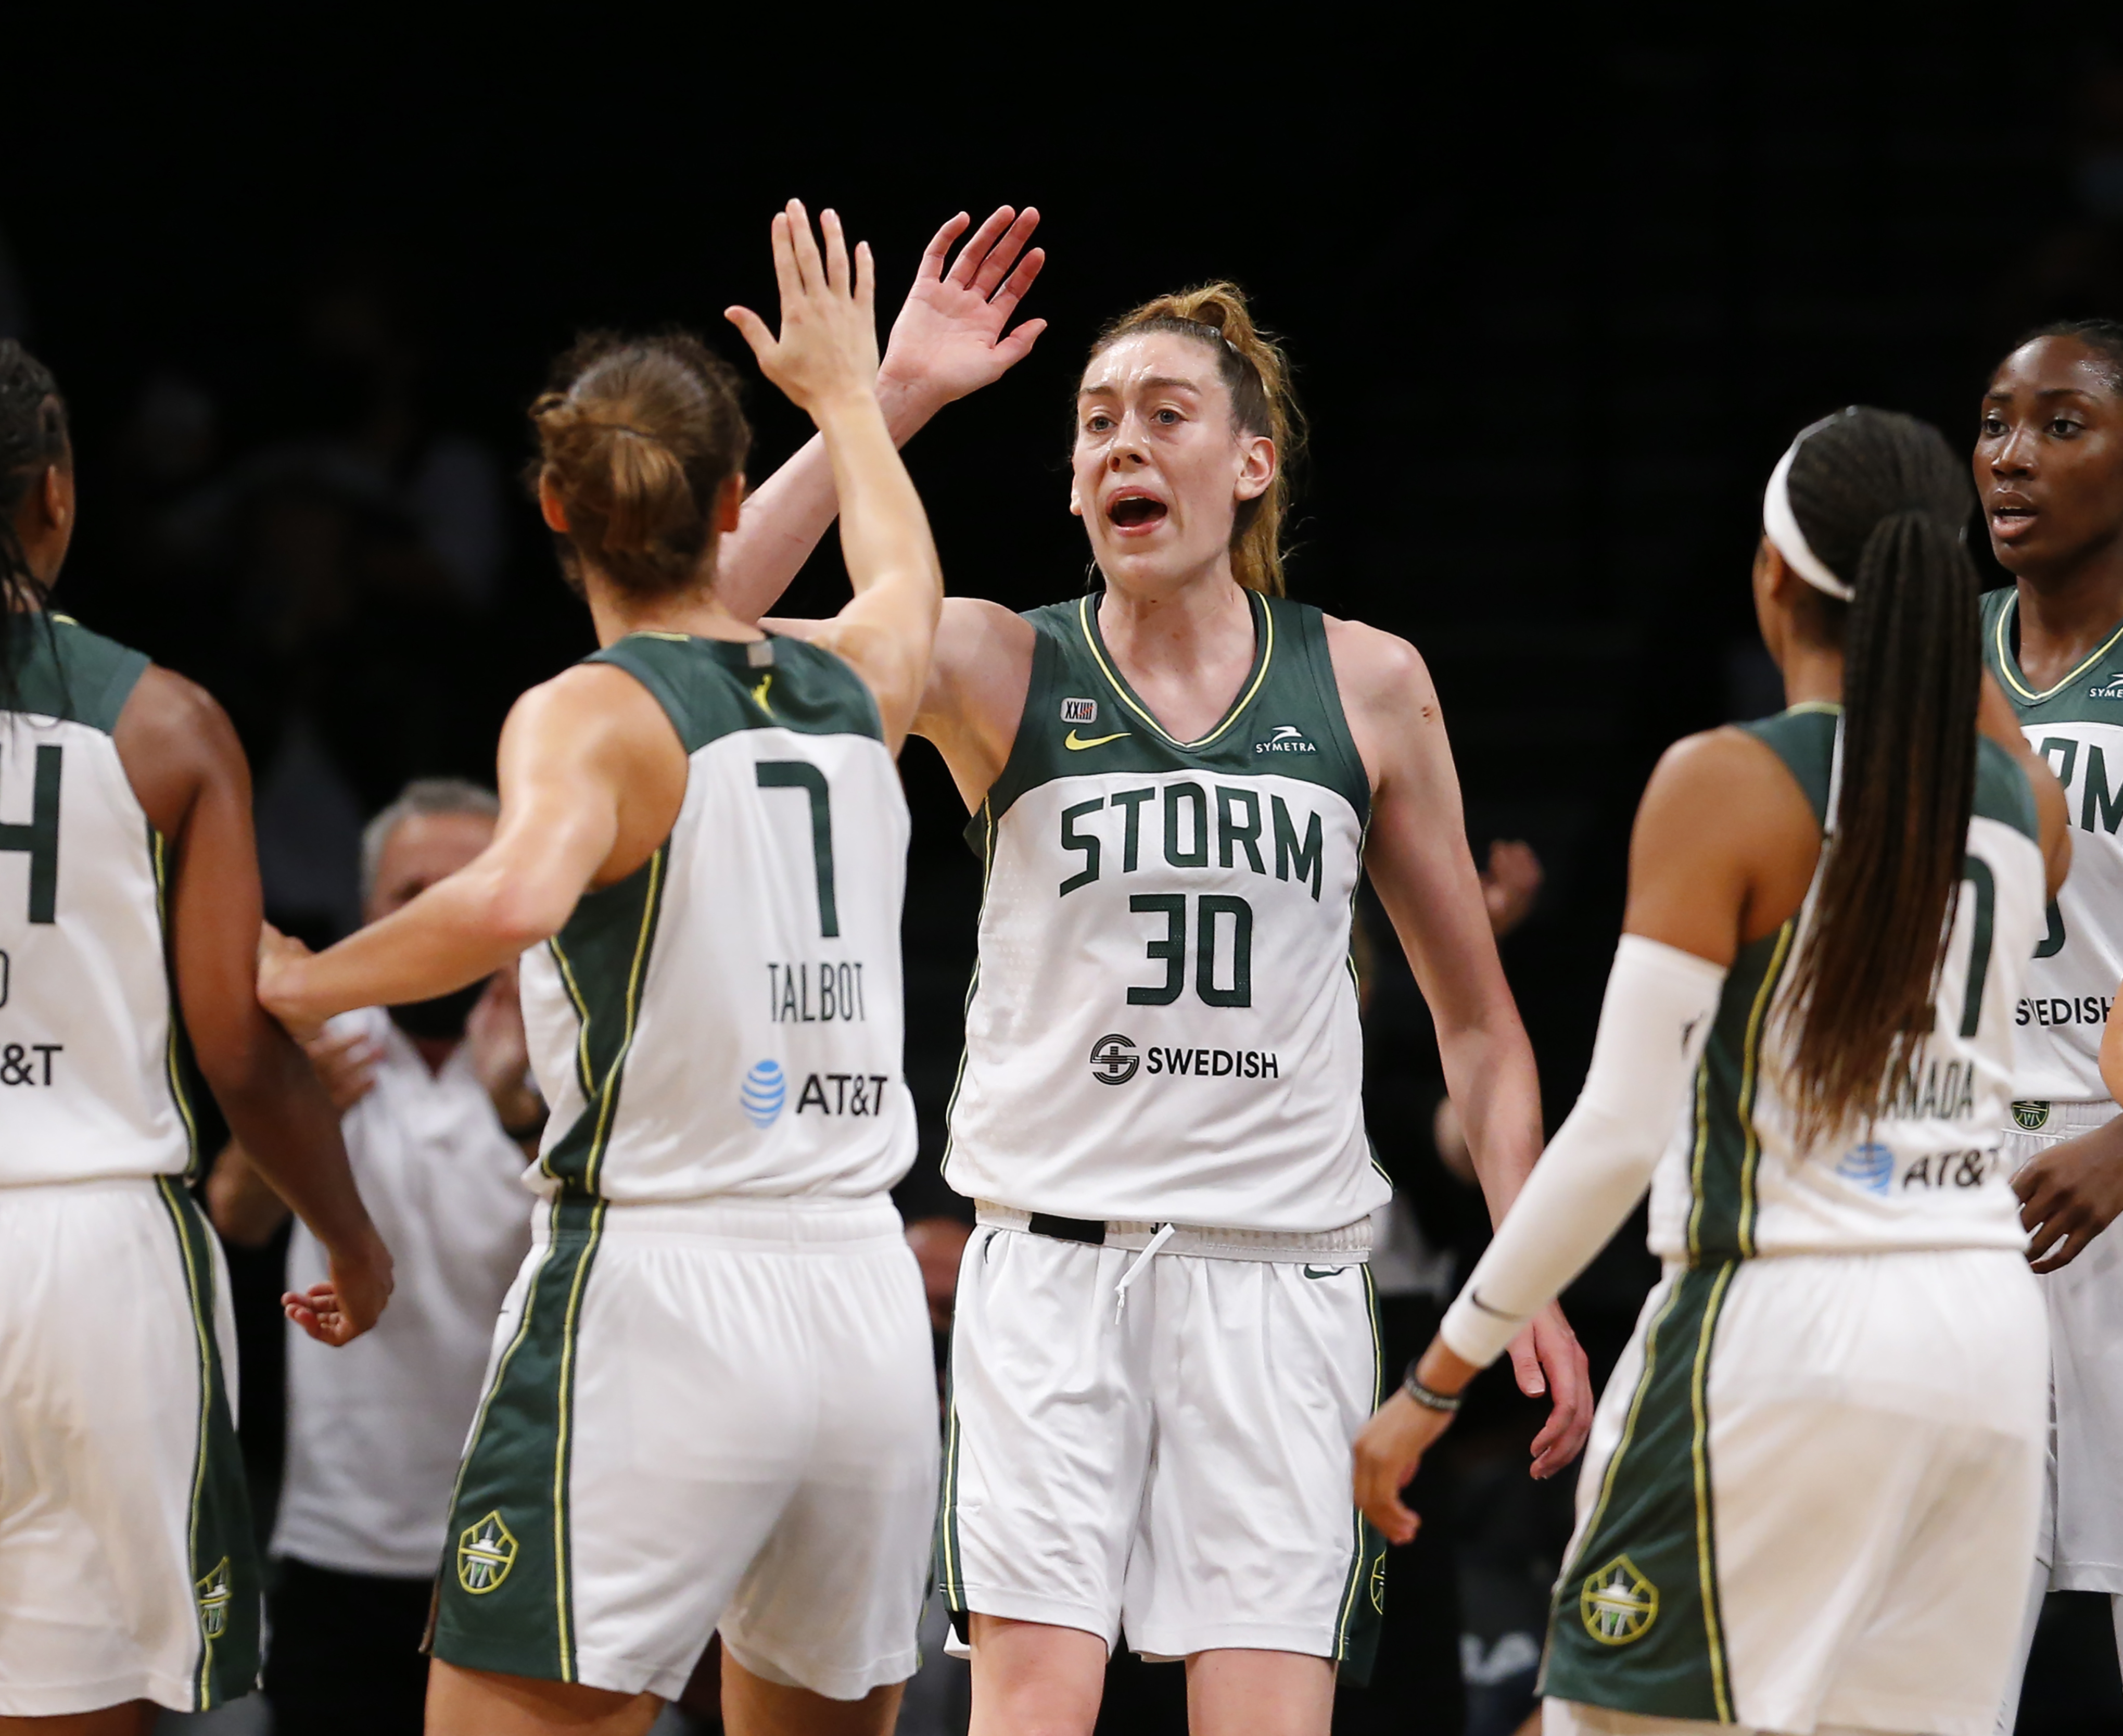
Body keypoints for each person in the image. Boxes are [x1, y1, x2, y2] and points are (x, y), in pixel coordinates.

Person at [723, 280, 1592, 1735]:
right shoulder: (996, 660)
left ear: (1252, 463)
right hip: (1054, 1276)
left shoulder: (1369, 685)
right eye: (1096, 424)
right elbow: (702, 623)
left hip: (1287, 1284)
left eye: (1167, 417)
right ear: (1074, 485)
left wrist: (1529, 1267)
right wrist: (889, 405)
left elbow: (1482, 1028)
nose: (1125, 445)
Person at [257, 202, 947, 1736]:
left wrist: (304, 985)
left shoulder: (590, 712)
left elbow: (509, 896)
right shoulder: (859, 680)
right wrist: (852, 396)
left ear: (554, 516)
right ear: (726, 500)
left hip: (665, 1296)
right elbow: (902, 569)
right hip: (863, 1305)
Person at [1352, 406, 2071, 1736]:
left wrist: (1433, 1383)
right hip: (1982, 1343)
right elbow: (1995, 750)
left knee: (1609, 1723)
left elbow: (1620, 1130)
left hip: (1787, 1322)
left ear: (1770, 577)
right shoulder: (2026, 812)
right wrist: (1941, 594)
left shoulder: (1726, 782)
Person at [0, 337, 390, 1733]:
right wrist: (353, 1240)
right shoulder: (168, 724)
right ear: (55, 497)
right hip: (91, 1264)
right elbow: (242, 1051)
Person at [208, 778, 539, 1736]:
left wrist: (528, 1116)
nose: (438, 910)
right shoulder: (317, 1041)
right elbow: (234, 1210)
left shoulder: (571, 1047)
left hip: (515, 1531)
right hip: (337, 1538)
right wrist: (294, 1122)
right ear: (366, 911)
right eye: (410, 893)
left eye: (469, 883)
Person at [1974, 318, 2123, 1729]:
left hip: (2115, 1159)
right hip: (1962, 1184)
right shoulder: (1922, 656)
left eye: (2061, 424)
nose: (2012, 455)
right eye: (1997, 423)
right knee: (1943, 1651)